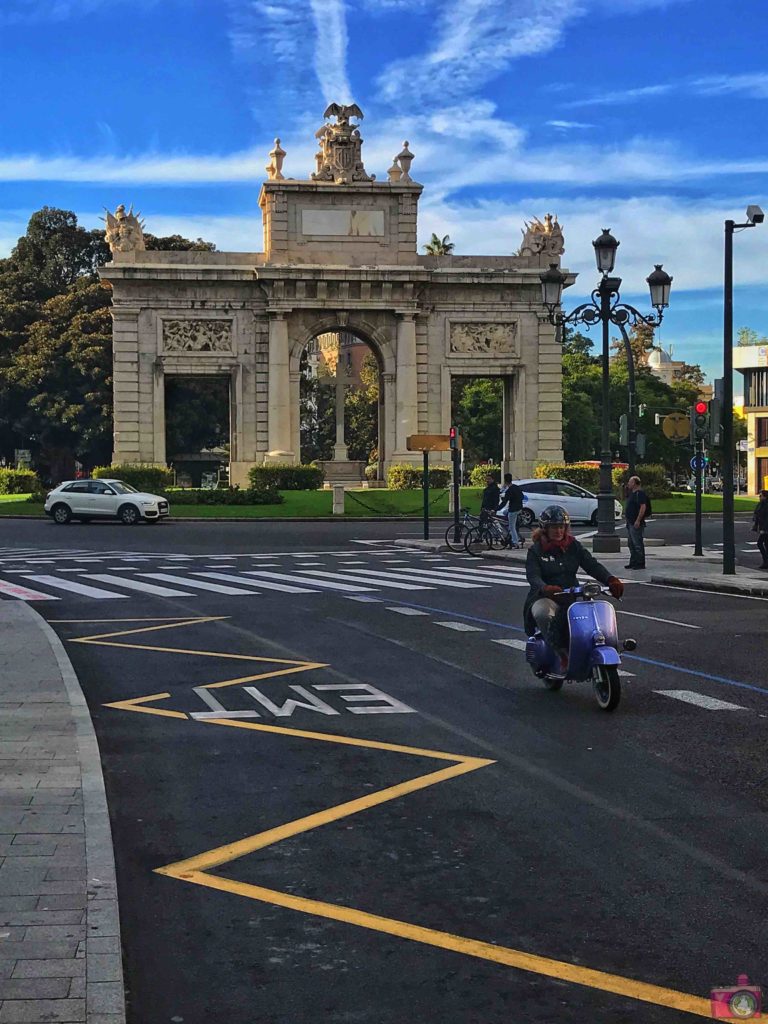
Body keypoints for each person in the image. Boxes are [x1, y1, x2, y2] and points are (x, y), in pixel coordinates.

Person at [524, 505, 624, 670]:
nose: (558, 531)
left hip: (571, 595)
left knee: (590, 615)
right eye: (554, 527)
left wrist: (610, 579)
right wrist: (545, 588)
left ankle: (590, 646)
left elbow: (591, 565)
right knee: (543, 613)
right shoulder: (536, 551)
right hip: (544, 596)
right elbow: (533, 576)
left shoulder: (573, 546)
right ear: (545, 529)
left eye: (562, 526)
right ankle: (560, 652)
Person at [624, 475, 649, 570]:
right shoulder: (632, 494)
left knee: (637, 543)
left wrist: (638, 520)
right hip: (631, 522)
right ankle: (633, 561)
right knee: (631, 543)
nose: (628, 484)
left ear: (634, 483)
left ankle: (640, 562)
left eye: (630, 482)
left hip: (635, 522)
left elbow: (643, 507)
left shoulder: (640, 494)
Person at [498, 473, 524, 548]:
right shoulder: (516, 487)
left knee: (512, 527)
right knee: (505, 512)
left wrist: (496, 509)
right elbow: (522, 496)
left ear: (505, 481)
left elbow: (504, 502)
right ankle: (510, 530)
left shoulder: (509, 491)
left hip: (513, 510)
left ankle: (516, 542)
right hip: (519, 508)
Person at [752, 489, 768, 569]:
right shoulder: (761, 504)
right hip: (762, 527)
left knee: (760, 543)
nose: (759, 497)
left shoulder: (765, 505)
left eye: (761, 496)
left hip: (765, 529)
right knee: (765, 544)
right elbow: (757, 514)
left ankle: (766, 561)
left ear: (765, 497)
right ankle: (766, 561)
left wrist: (764, 529)